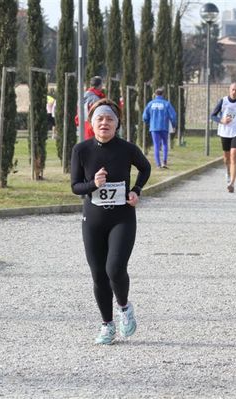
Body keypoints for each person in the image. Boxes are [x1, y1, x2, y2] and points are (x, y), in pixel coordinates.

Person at [70, 98, 151, 345]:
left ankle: (124, 308)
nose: (104, 123)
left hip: (122, 218)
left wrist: (136, 189)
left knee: (114, 268)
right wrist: (94, 184)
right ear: (91, 124)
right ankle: (107, 325)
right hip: (93, 219)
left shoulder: (126, 149)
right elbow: (75, 186)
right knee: (98, 275)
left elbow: (145, 168)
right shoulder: (81, 150)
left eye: (109, 119)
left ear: (117, 124)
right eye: (99, 119)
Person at [211, 81, 236, 193]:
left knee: (234, 155)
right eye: (233, 90)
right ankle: (228, 171)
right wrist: (221, 120)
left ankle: (232, 183)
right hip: (225, 132)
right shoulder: (223, 101)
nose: (234, 92)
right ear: (229, 90)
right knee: (226, 158)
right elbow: (213, 115)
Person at [142, 87, 177, 169]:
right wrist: (174, 125)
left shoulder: (150, 104)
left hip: (154, 127)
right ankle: (164, 162)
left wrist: (149, 122)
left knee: (156, 145)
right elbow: (173, 116)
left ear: (155, 94)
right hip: (164, 127)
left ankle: (158, 164)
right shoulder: (166, 103)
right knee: (165, 144)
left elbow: (144, 116)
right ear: (163, 94)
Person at [75, 76, 106, 140]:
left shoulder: (83, 95)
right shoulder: (95, 98)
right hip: (92, 125)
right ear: (99, 85)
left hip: (82, 123)